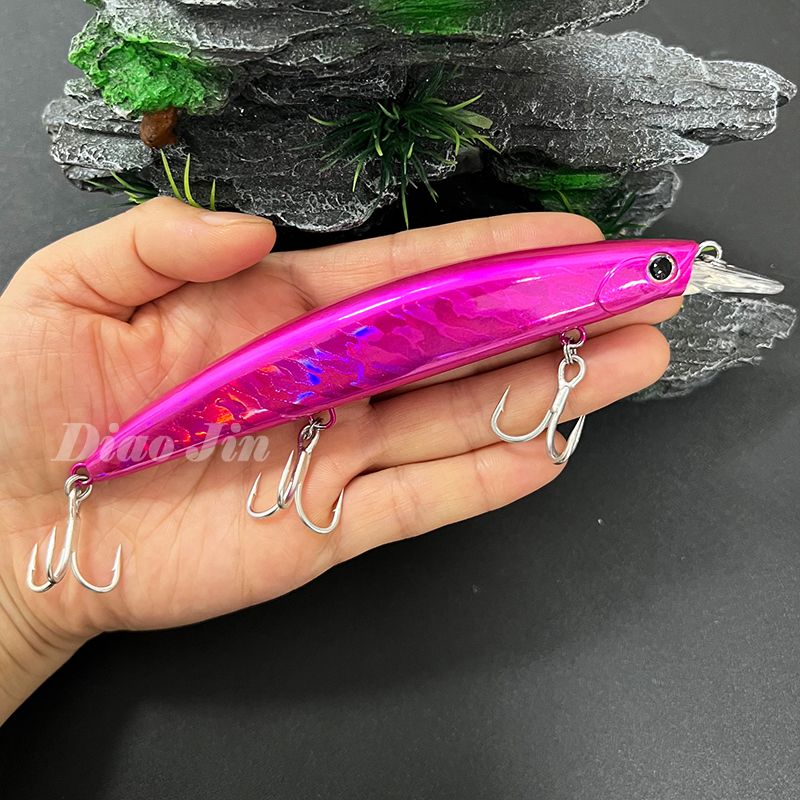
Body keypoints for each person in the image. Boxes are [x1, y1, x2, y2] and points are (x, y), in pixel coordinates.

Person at [0, 200, 679, 723]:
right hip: (119, 453)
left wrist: (21, 613)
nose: (663, 276)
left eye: (660, 271)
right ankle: (97, 474)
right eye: (658, 270)